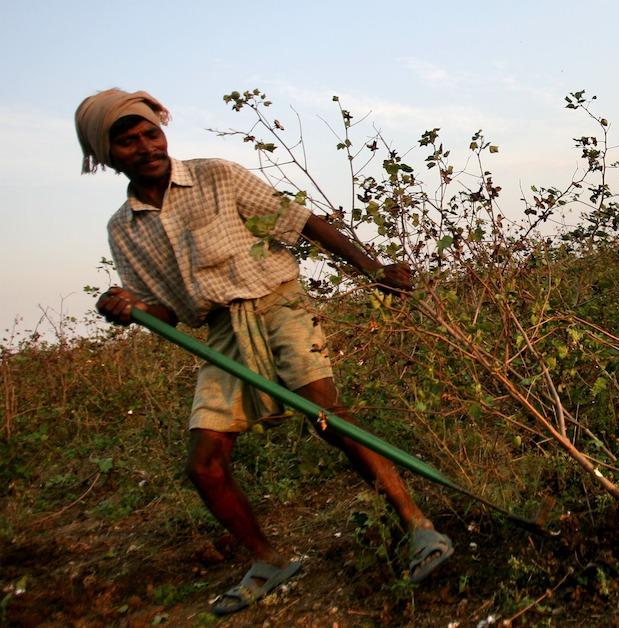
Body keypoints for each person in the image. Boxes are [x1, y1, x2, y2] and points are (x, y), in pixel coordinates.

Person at [75, 88, 452, 616]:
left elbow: (302, 223)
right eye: (128, 142)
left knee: (326, 413)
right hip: (222, 331)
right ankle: (268, 560)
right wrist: (127, 306)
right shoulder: (124, 229)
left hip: (277, 303)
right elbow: (165, 312)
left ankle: (418, 527)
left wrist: (372, 271)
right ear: (107, 156)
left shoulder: (216, 176)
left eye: (150, 134)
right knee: (204, 465)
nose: (145, 146)